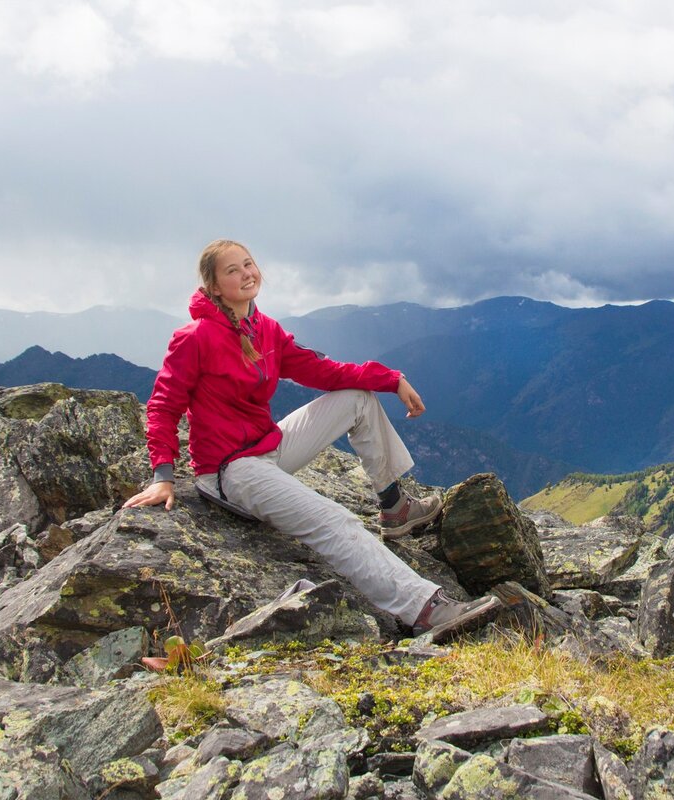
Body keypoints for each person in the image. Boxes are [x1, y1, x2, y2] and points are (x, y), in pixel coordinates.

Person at [123, 239, 500, 635]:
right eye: (232, 270)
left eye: (249, 264)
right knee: (335, 519)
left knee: (356, 397)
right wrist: (163, 476)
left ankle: (394, 506)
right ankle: (424, 609)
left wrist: (392, 379)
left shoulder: (265, 330)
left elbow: (325, 372)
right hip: (230, 471)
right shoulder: (196, 337)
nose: (247, 274)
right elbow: (163, 406)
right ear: (214, 287)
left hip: (267, 447)